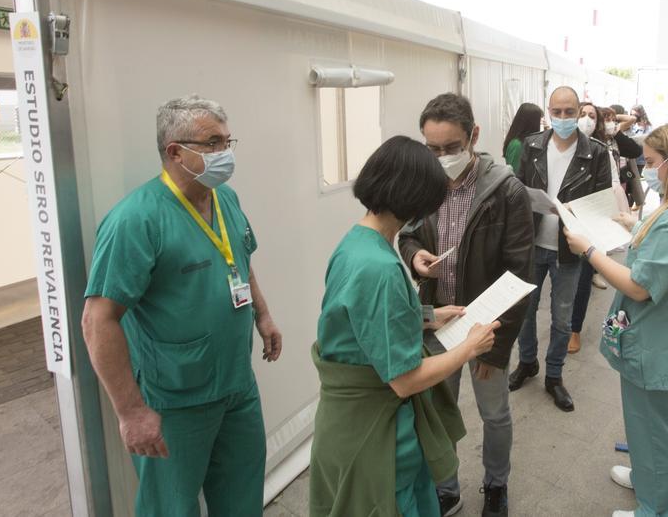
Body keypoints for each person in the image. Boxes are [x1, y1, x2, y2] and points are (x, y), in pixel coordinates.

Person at [81, 96, 283, 516]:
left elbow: (240, 261)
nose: (225, 153)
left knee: (242, 496)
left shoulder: (225, 199)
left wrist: (262, 314)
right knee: (171, 507)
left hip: (236, 386)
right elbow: (98, 319)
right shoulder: (136, 220)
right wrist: (131, 412)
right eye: (213, 143)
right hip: (175, 400)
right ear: (175, 151)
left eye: (228, 141)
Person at [311, 136, 499, 516]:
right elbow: (405, 379)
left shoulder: (357, 243)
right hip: (376, 433)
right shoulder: (380, 268)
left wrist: (426, 317)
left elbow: (361, 323)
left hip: (346, 423)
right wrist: (469, 347)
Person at [563, 121, 668, 517]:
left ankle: (656, 508)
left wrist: (590, 252)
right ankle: (648, 478)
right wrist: (635, 226)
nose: (647, 170)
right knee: (655, 422)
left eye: (651, 162)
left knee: (653, 426)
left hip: (656, 341)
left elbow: (639, 286)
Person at [399, 94, 534, 517]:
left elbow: (519, 274)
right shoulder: (424, 184)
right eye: (432, 149)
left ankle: (496, 485)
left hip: (484, 327)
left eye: (451, 148)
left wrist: (495, 346)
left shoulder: (506, 191)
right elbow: (408, 234)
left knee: (494, 414)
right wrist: (415, 257)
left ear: (474, 136)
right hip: (438, 322)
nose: (441, 158)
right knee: (440, 413)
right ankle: (446, 488)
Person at [510, 86, 612, 412]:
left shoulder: (595, 153)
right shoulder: (532, 146)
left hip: (568, 248)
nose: (564, 118)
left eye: (570, 112)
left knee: (562, 317)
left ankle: (554, 375)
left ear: (580, 110)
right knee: (525, 311)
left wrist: (574, 217)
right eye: (558, 112)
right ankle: (527, 362)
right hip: (532, 243)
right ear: (548, 111)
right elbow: (516, 191)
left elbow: (602, 206)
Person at [568, 104, 638, 355]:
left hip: (589, 224)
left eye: (591, 116)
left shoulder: (601, 151)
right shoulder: (555, 148)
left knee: (583, 279)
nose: (585, 120)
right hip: (561, 225)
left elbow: (609, 188)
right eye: (581, 114)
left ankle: (574, 330)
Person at [502, 103, 543, 174]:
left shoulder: (528, 143)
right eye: (539, 120)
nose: (541, 123)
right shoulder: (517, 145)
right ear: (532, 123)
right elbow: (515, 175)